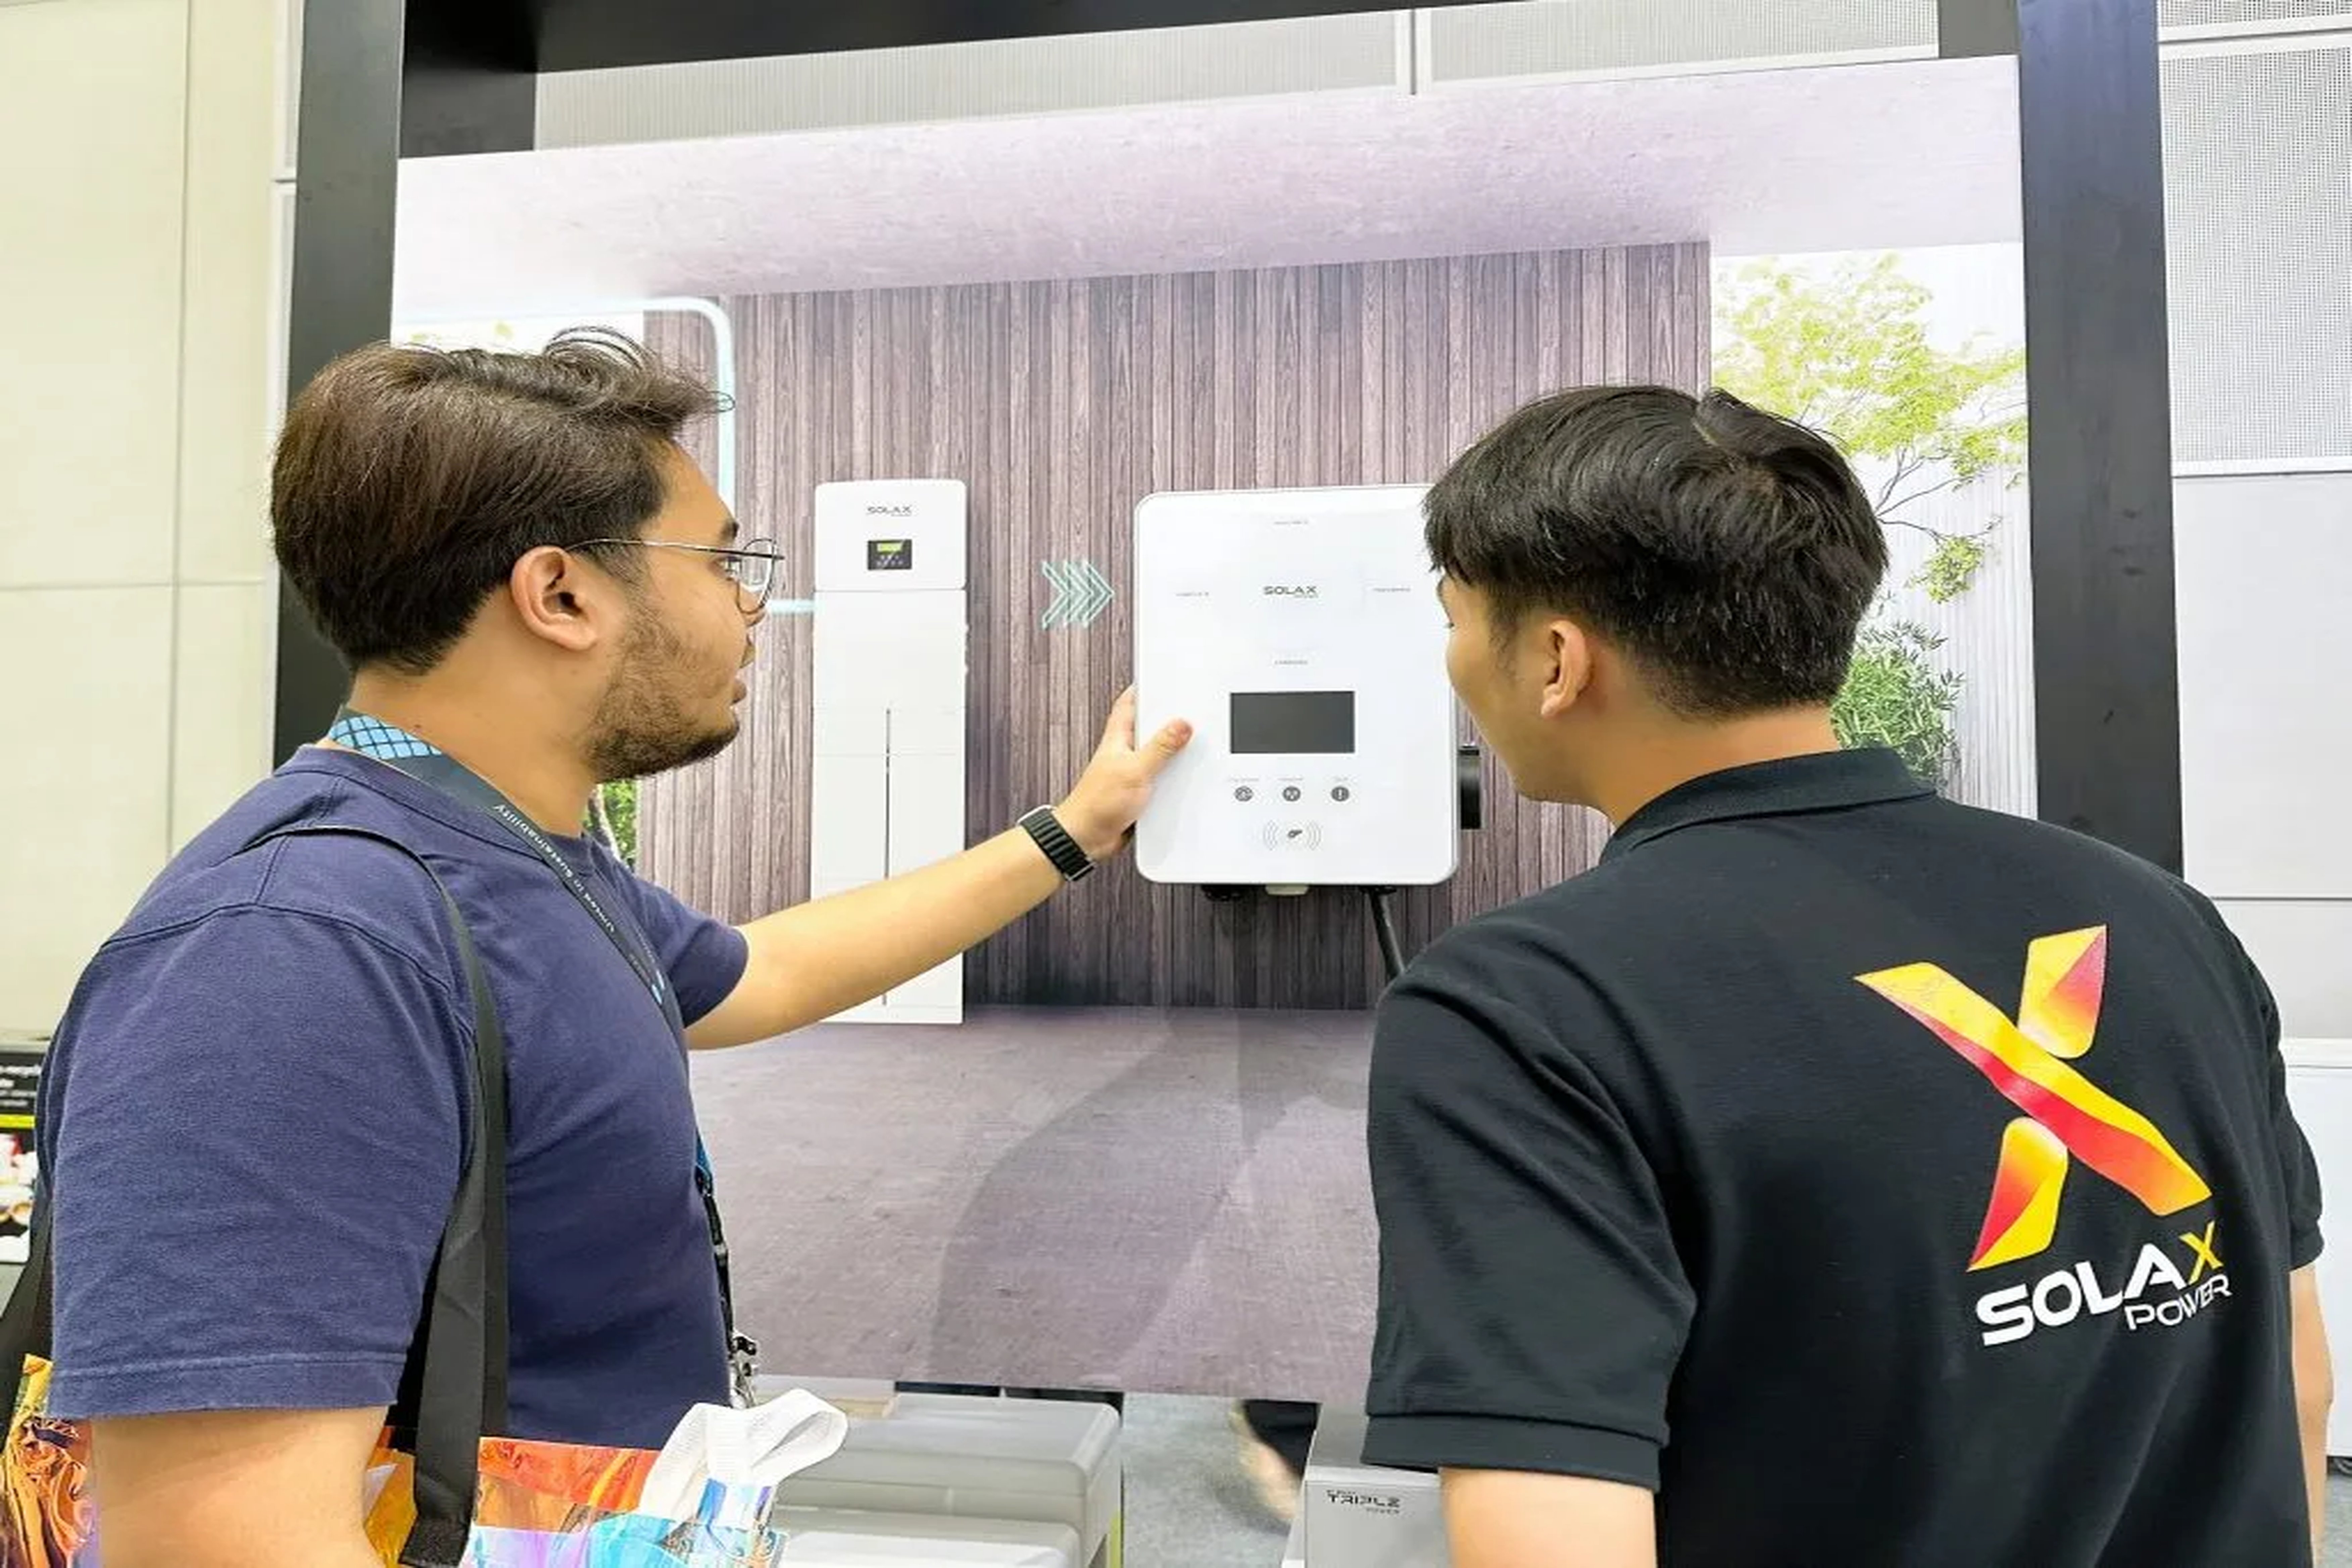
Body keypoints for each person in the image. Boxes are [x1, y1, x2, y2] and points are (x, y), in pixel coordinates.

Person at [34, 329, 1192, 1568]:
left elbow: (764, 972)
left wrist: (1072, 834)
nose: (750, 607)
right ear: (562, 595)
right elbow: (217, 1538)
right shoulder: (293, 950)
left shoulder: (516, 859)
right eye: (724, 561)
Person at [1359, 385, 2332, 1567]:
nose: (1455, 661)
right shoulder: (2154, 912)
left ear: (1558, 660)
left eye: (1457, 619)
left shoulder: (1525, 1007)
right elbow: (2295, 1379)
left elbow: (1555, 1536)